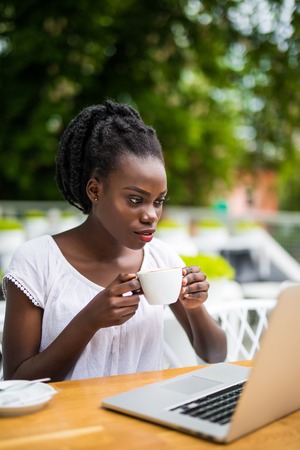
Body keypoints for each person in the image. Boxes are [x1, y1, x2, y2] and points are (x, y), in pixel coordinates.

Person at [2, 100, 227, 381]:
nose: (151, 216)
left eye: (158, 201)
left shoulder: (161, 259)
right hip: (68, 423)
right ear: (95, 191)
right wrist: (90, 320)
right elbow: (15, 380)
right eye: (135, 199)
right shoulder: (38, 261)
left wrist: (195, 308)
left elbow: (216, 355)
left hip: (146, 415)